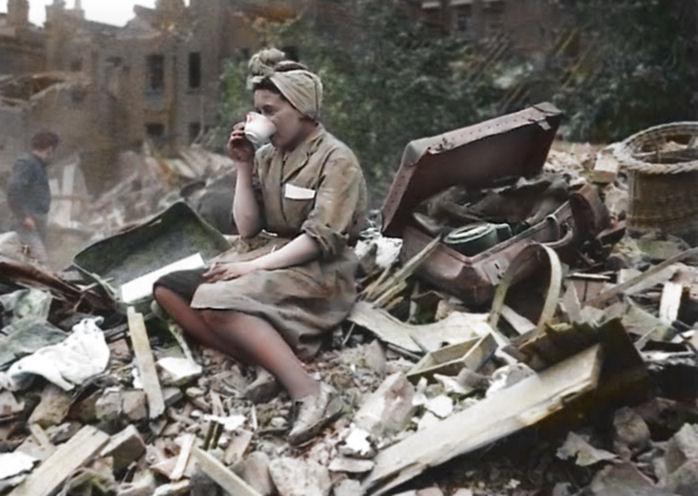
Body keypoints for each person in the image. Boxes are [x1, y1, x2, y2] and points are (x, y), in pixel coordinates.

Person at [153, 49, 368, 444]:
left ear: (303, 110)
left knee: (216, 301)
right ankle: (263, 361)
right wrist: (242, 164)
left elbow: (320, 239)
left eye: (271, 112)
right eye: (258, 112)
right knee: (168, 289)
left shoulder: (337, 159)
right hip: (266, 254)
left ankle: (311, 391)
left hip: (318, 268)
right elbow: (247, 227)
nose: (261, 122)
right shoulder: (268, 156)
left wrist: (251, 269)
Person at [6, 131, 60, 265]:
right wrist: (23, 216)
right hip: (27, 223)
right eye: (53, 151)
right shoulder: (27, 164)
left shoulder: (37, 165)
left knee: (30, 260)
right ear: (49, 149)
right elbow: (13, 189)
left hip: (35, 221)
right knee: (40, 261)